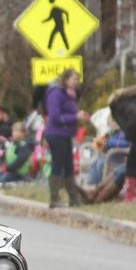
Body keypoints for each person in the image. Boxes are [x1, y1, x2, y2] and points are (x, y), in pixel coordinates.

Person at [44, 68, 88, 207]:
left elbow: (68, 112)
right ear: (66, 79)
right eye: (74, 79)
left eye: (77, 79)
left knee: (69, 166)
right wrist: (75, 116)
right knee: (58, 165)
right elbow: (55, 116)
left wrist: (79, 115)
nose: (76, 82)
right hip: (56, 133)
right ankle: (54, 198)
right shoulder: (56, 93)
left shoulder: (69, 95)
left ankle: (74, 198)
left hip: (66, 134)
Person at [107, 85, 136, 202]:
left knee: (130, 166)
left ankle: (130, 197)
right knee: (130, 165)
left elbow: (134, 118)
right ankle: (130, 196)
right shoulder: (128, 101)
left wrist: (129, 134)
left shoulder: (121, 104)